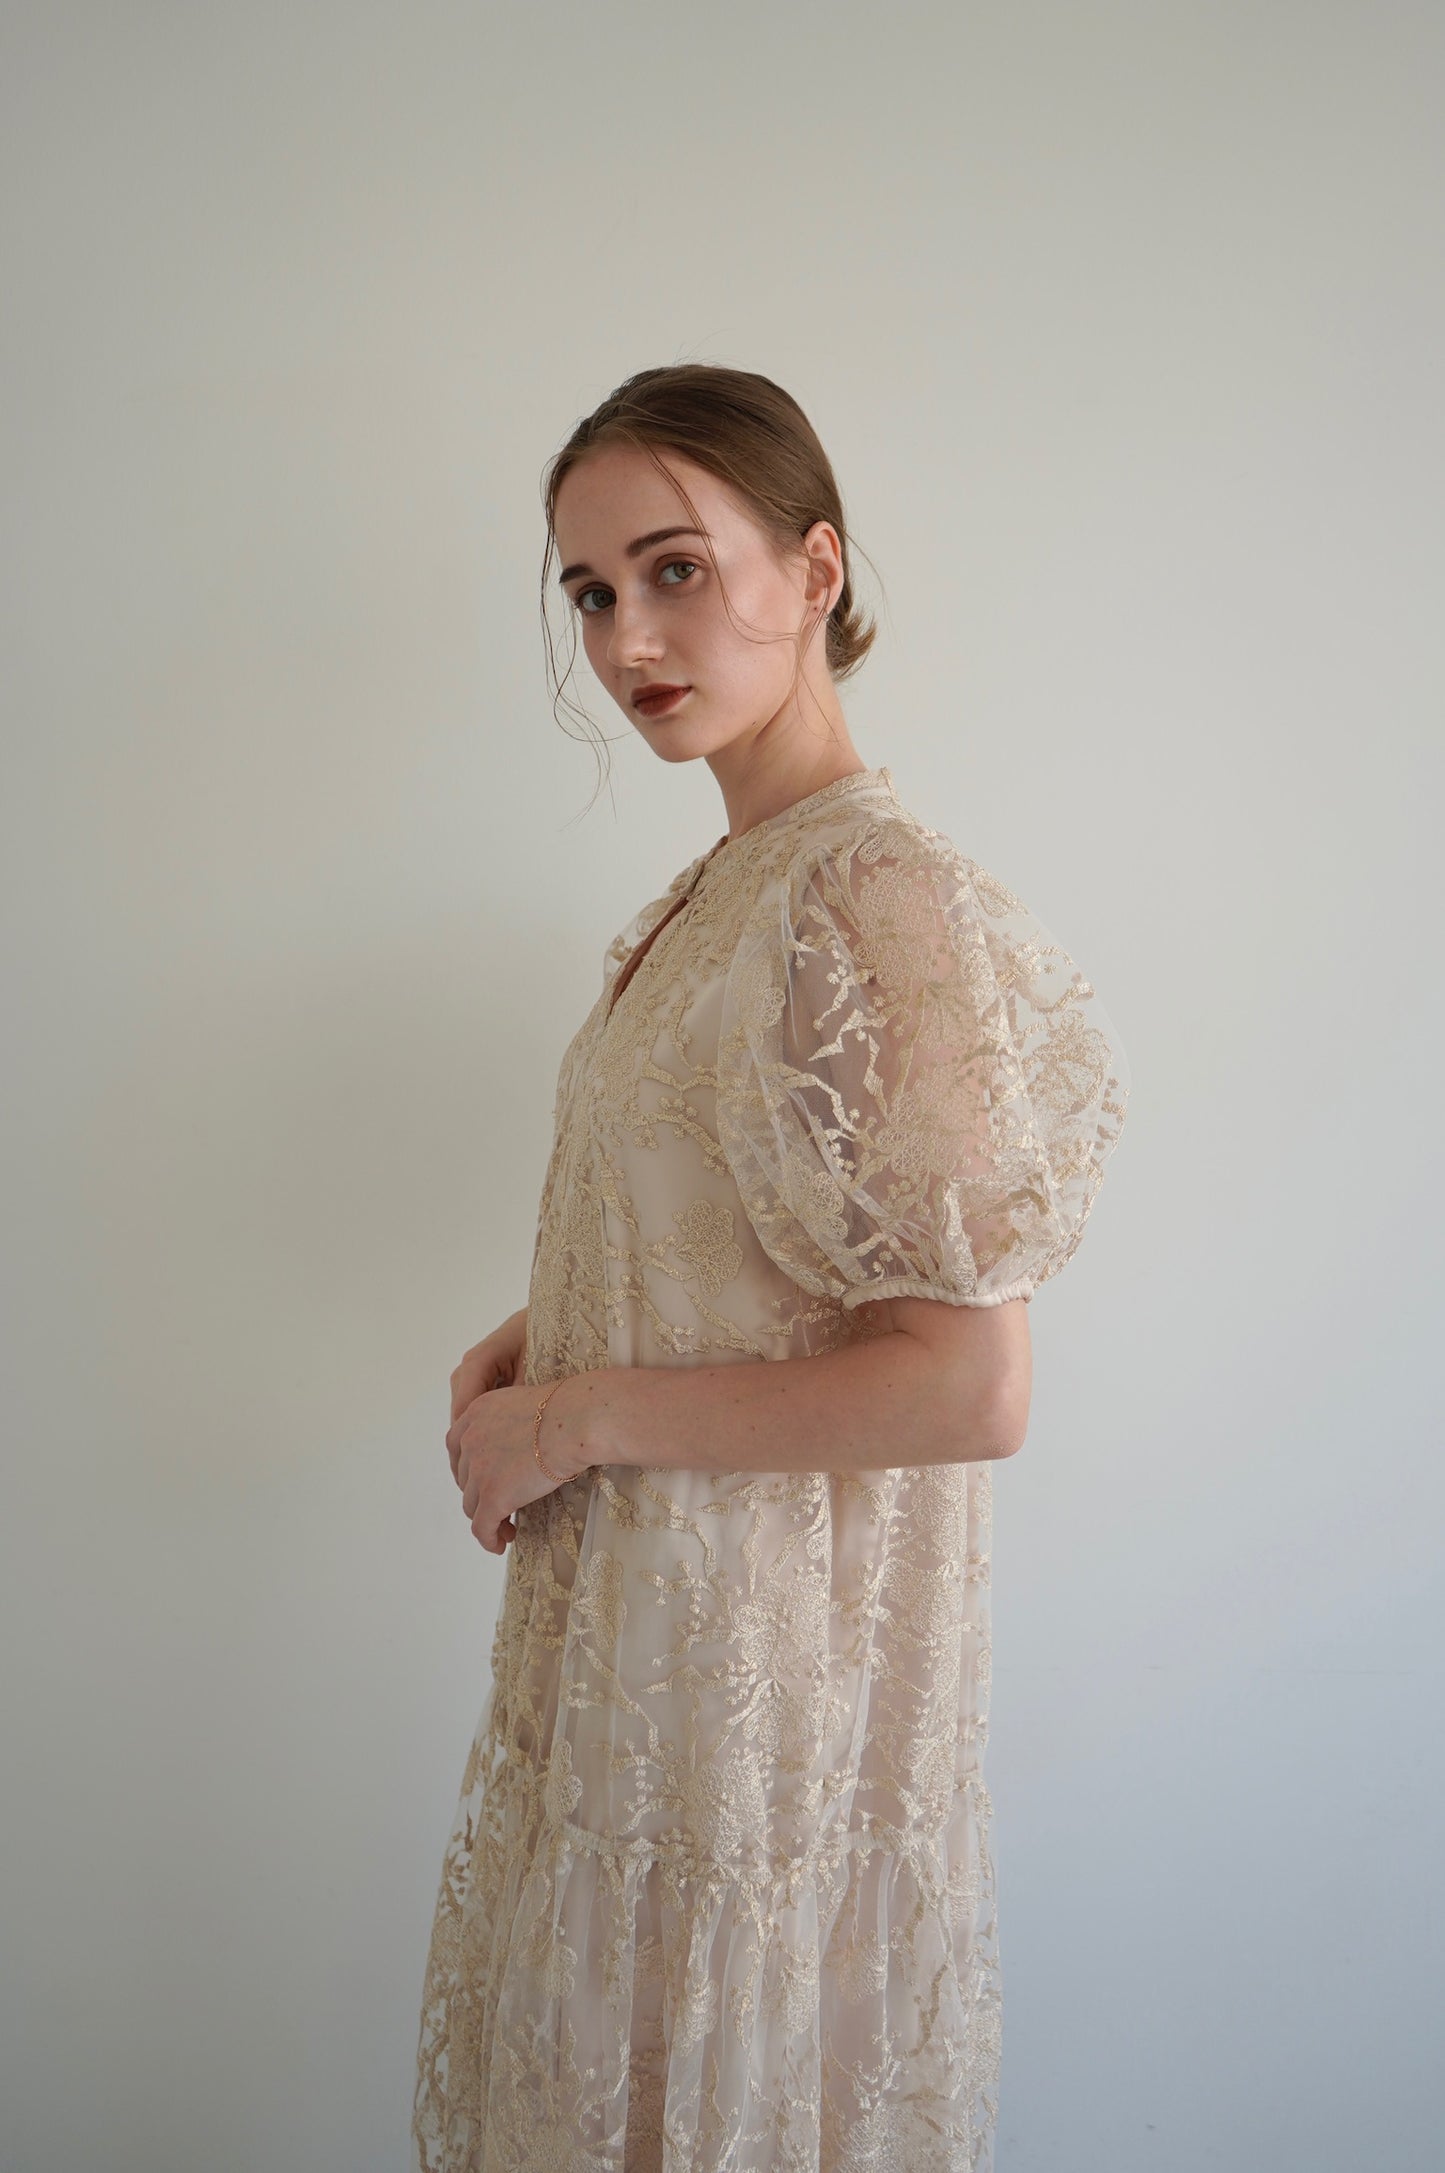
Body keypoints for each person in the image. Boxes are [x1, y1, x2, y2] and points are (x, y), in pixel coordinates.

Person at [411, 363, 1130, 2173]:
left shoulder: (873, 895)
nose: (628, 638)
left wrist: (572, 1416)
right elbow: (754, 1240)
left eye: (675, 568)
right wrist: (549, 1327)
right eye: (591, 591)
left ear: (814, 570)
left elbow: (965, 1381)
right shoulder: (715, 893)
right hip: (638, 1670)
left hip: (759, 1703)